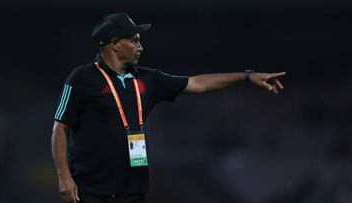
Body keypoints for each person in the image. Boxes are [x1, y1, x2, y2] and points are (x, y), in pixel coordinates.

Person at [51, 12, 285, 203]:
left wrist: (246, 76)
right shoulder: (82, 78)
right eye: (134, 40)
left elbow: (197, 83)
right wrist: (64, 177)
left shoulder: (147, 79)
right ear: (114, 44)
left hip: (133, 190)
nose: (140, 46)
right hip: (91, 190)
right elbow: (59, 129)